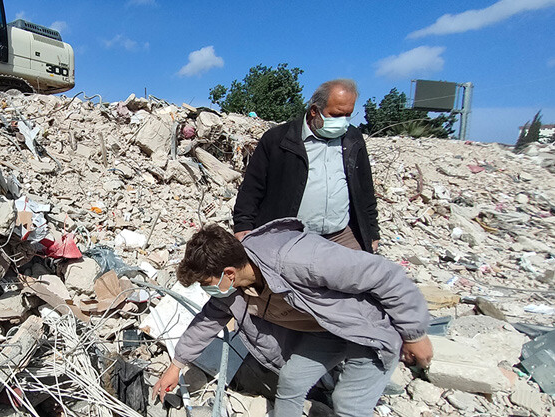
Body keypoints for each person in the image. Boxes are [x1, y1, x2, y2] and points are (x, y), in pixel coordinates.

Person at [152, 222, 432, 417]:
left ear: (229, 272)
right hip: (326, 331)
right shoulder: (233, 289)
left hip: (366, 328)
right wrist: (177, 366)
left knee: (348, 405)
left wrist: (414, 334)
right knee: (291, 381)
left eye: (206, 282)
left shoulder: (298, 259)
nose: (206, 290)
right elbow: (207, 321)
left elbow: (385, 274)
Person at [233, 78, 380, 252]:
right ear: (314, 111)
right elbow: (252, 187)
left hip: (341, 234)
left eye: (348, 115)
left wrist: (371, 231)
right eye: (336, 115)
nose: (343, 122)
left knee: (356, 275)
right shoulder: (278, 139)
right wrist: (243, 225)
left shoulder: (353, 138)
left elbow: (365, 188)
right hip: (290, 237)